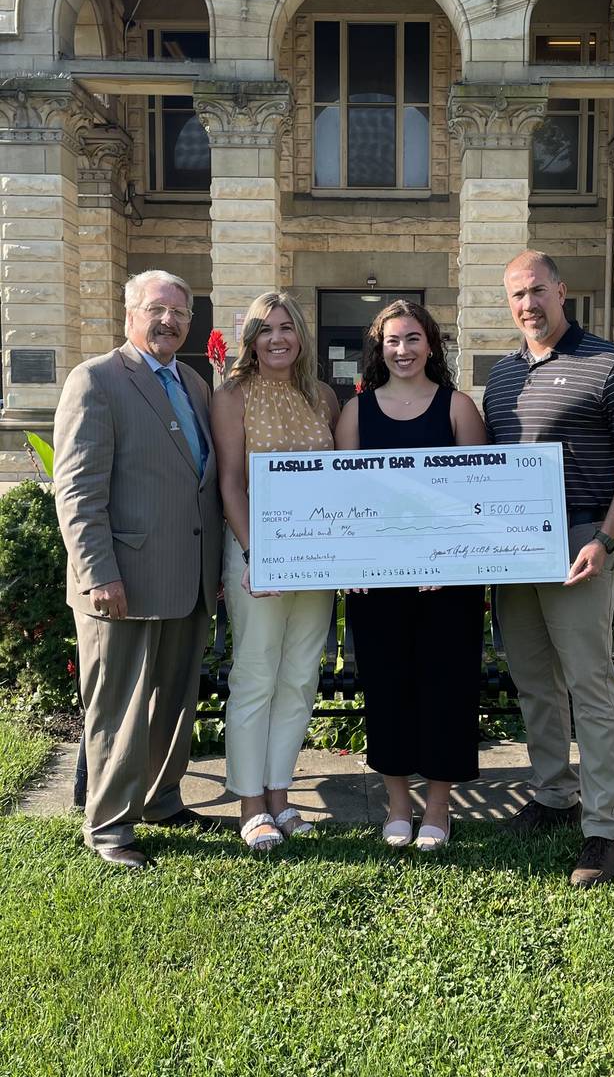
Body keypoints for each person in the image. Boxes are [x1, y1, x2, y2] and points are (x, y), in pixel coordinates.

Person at [482, 251, 614, 888]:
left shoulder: (611, 364)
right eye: (516, 296)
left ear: (561, 291)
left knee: (589, 684)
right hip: (515, 546)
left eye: (537, 291)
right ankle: (556, 794)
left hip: (581, 539)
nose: (527, 305)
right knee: (533, 678)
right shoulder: (502, 377)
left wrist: (607, 539)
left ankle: (604, 827)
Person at [53, 269, 224, 871]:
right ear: (129, 314)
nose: (170, 321)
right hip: (121, 581)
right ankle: (107, 826)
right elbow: (76, 491)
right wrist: (99, 573)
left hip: (189, 579)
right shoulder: (97, 380)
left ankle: (161, 799)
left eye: (180, 312)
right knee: (117, 708)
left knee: (176, 703)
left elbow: (202, 482)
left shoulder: (196, 386)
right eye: (157, 309)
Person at [335, 300, 487, 851]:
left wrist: (443, 558)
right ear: (378, 348)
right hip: (377, 583)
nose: (403, 350)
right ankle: (399, 803)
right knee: (388, 686)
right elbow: (344, 497)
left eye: (413, 339)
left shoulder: (458, 408)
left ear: (432, 345)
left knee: (447, 686)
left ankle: (439, 808)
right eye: (392, 340)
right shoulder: (355, 413)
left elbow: (477, 496)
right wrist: (350, 562)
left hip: (448, 584)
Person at [210, 292, 340, 853]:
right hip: (256, 556)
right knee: (256, 675)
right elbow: (231, 484)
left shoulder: (325, 398)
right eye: (266, 330)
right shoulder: (232, 397)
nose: (278, 338)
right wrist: (256, 553)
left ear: (301, 336)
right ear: (251, 339)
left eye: (287, 328)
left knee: (299, 678)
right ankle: (250, 804)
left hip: (316, 559)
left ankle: (281, 796)